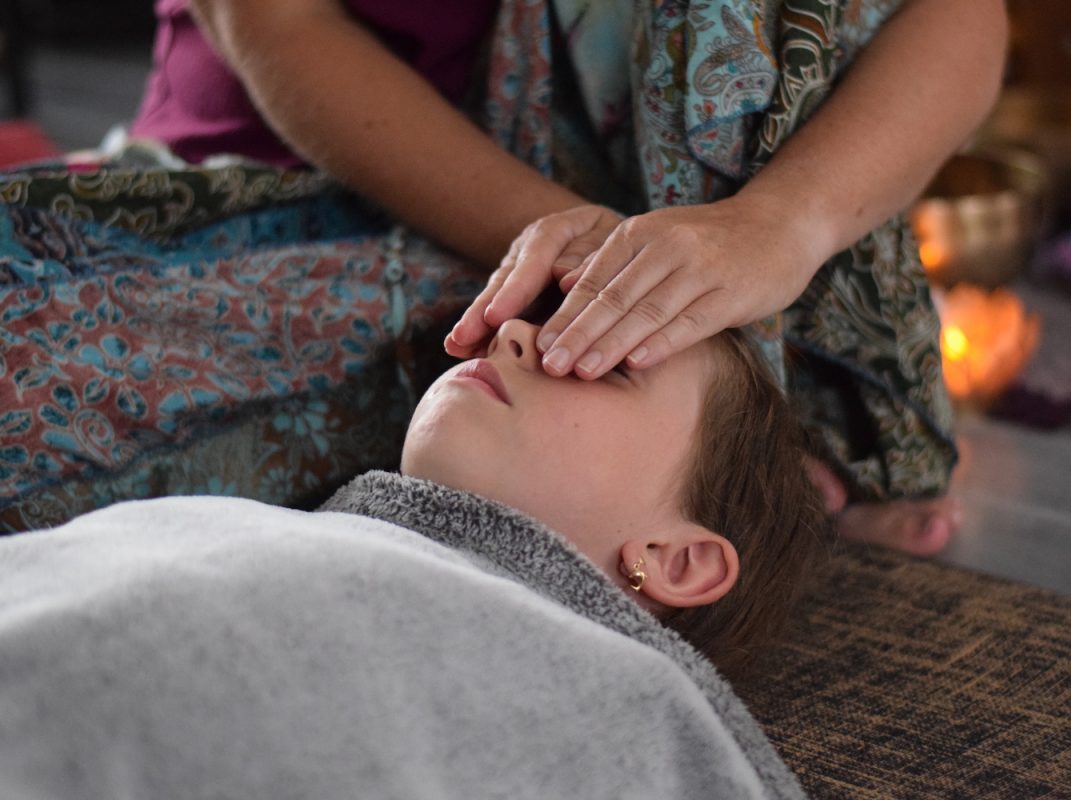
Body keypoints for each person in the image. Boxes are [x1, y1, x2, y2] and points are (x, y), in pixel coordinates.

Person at [2, 0, 1008, 551]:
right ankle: (745, 433)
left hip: (628, 185)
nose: (519, 334)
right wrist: (570, 252)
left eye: (613, 359)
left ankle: (788, 407)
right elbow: (272, 21)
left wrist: (778, 226)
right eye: (605, 356)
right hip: (292, 187)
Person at [0, 321, 826, 799]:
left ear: (673, 563)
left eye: (607, 362)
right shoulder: (287, 532)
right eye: (552, 316)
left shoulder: (620, 702)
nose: (516, 330)